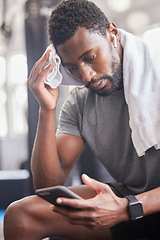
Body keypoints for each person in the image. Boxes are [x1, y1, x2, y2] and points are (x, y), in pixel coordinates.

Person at [3, 0, 160, 239]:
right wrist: (46, 110)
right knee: (21, 216)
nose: (86, 75)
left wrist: (130, 207)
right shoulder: (80, 102)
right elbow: (47, 187)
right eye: (72, 68)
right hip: (128, 200)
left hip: (141, 203)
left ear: (112, 34)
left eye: (90, 57)